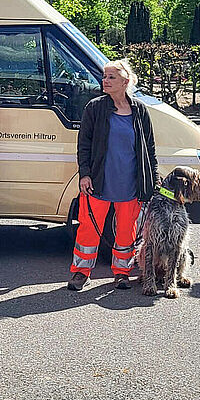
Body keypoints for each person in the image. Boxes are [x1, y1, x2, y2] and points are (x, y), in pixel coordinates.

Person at [67, 59, 157, 292]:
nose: (104, 81)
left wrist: (151, 181)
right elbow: (83, 144)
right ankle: (80, 272)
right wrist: (84, 174)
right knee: (88, 229)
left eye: (111, 77)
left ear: (125, 82)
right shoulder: (95, 108)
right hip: (98, 182)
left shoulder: (139, 111)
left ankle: (121, 273)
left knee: (126, 232)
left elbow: (149, 149)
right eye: (105, 77)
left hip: (130, 184)